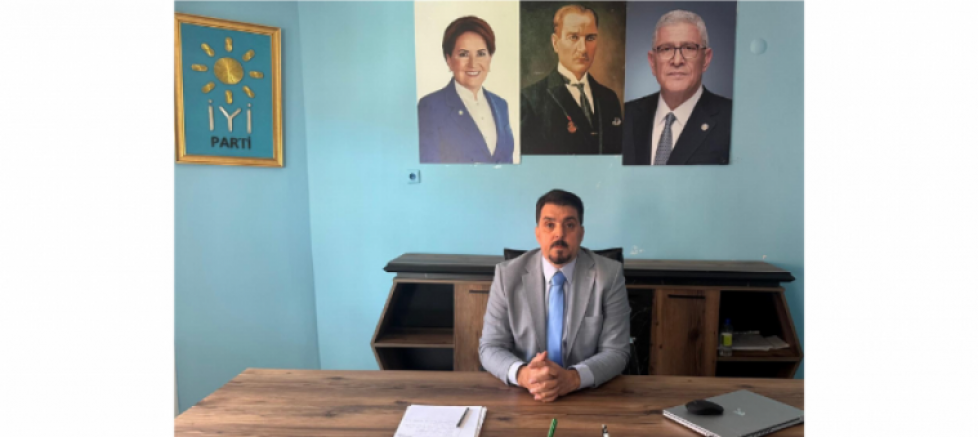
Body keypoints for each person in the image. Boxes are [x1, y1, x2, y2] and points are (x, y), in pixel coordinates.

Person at [479, 189, 630, 402]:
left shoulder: (609, 275)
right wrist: (524, 375)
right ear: (538, 233)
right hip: (524, 395)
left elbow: (616, 351)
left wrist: (573, 378)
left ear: (581, 233)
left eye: (569, 225)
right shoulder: (507, 276)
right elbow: (490, 346)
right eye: (549, 225)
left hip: (587, 395)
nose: (559, 234)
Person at [622, 10, 733, 165]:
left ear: (706, 59)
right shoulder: (624, 116)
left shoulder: (733, 119)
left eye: (689, 48)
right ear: (652, 62)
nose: (677, 61)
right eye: (666, 49)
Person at [521, 5, 622, 155]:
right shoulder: (530, 101)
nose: (583, 48)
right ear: (555, 43)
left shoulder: (609, 98)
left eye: (590, 38)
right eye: (573, 37)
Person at [419, 16, 515, 164]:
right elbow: (430, 167)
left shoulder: (501, 105)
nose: (473, 63)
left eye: (481, 54)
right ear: (449, 60)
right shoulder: (431, 107)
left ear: (490, 58)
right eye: (463, 54)